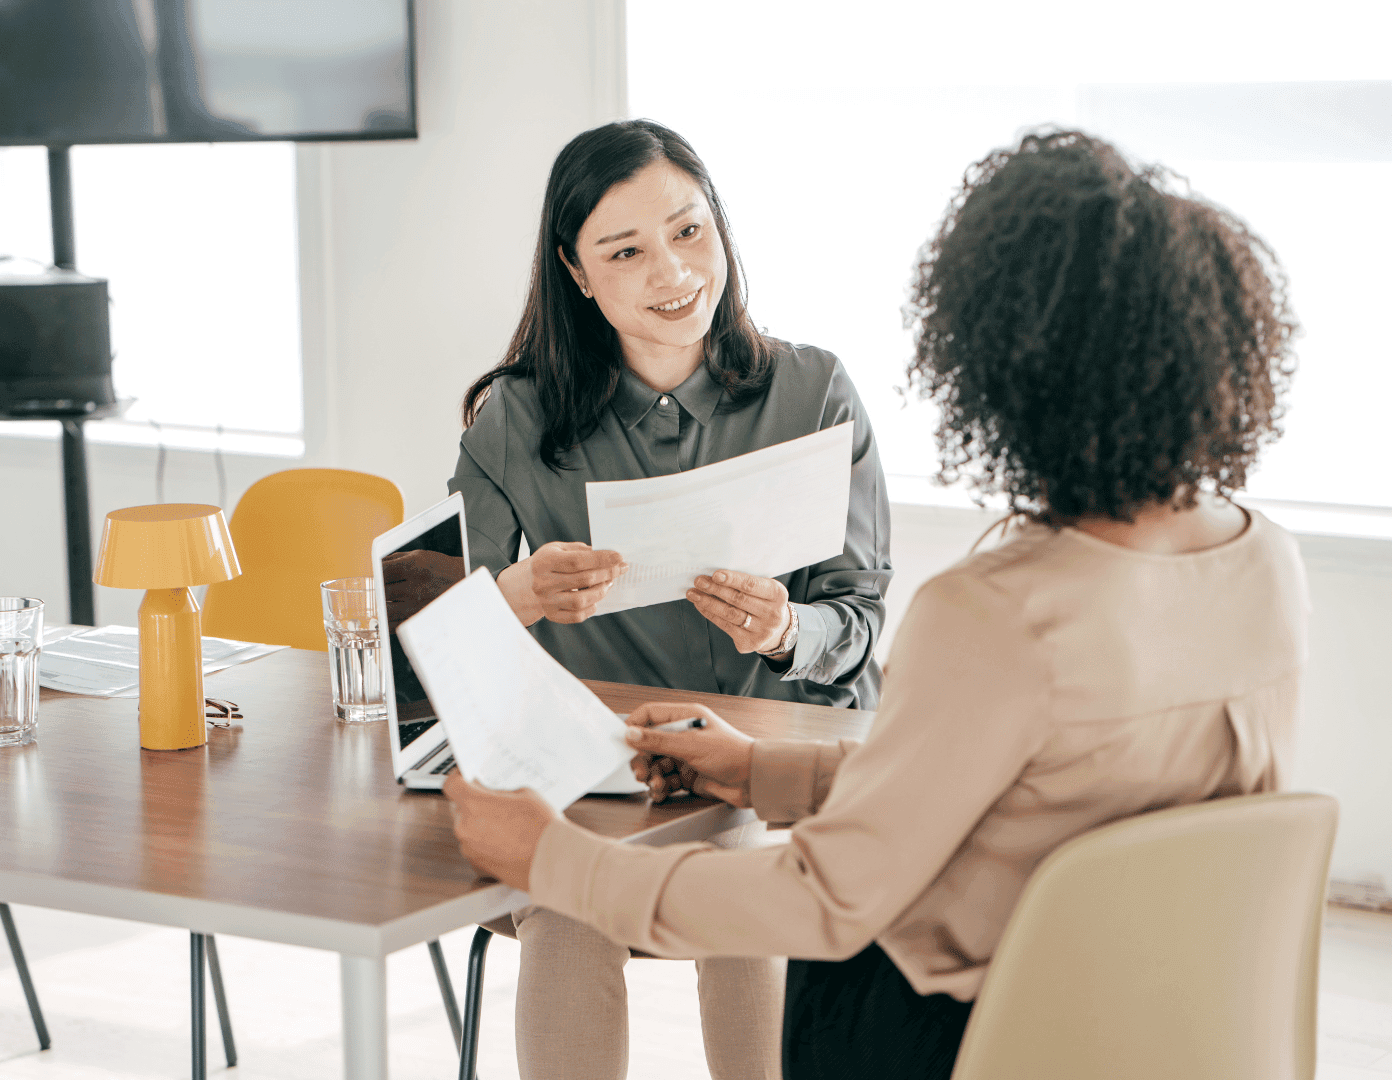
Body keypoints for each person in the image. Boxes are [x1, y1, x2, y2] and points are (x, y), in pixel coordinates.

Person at [442, 129, 1308, 1080]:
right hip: (1161, 1027)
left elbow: (824, 899)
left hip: (967, 1034)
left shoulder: (992, 613)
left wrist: (553, 861)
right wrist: (761, 769)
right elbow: (1018, 796)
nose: (670, 270)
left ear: (987, 368)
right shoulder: (1267, 562)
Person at [392, 119, 891, 1080]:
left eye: (690, 230)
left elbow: (860, 621)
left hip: (762, 766)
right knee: (572, 905)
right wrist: (517, 596)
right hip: (595, 778)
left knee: (749, 889)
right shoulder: (516, 420)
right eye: (626, 251)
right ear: (578, 275)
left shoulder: (815, 391)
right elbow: (431, 642)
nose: (673, 271)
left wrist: (789, 628)